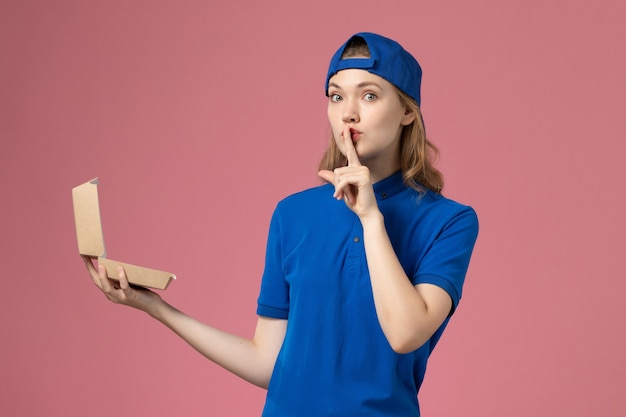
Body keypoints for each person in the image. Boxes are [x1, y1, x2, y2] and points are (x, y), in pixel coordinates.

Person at [83, 32, 479, 417]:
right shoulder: (292, 215)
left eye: (370, 95)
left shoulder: (450, 221)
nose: (348, 112)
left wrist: (371, 218)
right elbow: (267, 362)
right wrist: (154, 306)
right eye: (337, 96)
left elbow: (406, 333)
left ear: (408, 111)